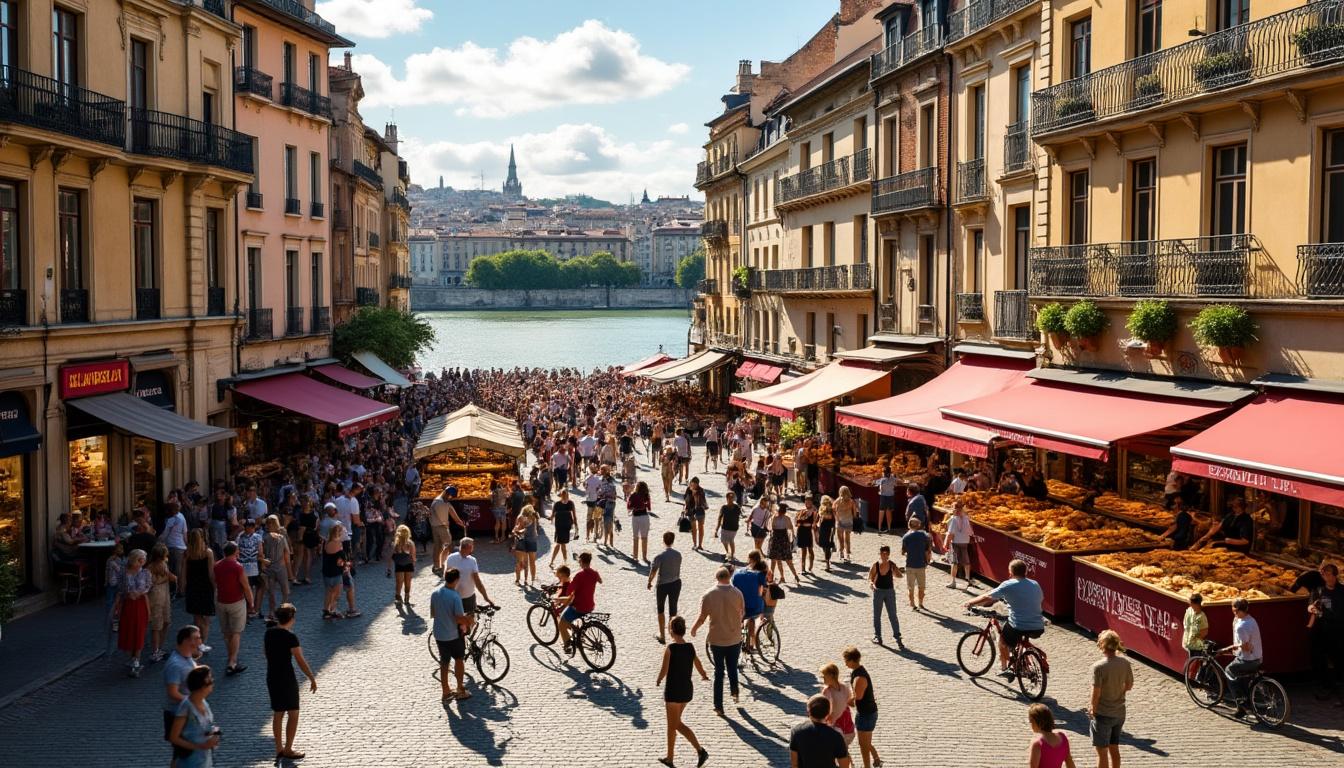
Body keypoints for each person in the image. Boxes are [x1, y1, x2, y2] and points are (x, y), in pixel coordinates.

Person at [965, 559, 1046, 677]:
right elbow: (1038, 599)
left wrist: (971, 602)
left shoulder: (1008, 584)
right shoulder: (1035, 584)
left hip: (1019, 625)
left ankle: (1007, 668)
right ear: (1026, 572)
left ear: (1010, 572)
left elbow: (988, 596)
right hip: (1038, 625)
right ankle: (1022, 661)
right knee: (1016, 637)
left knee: (1002, 641)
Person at [656, 615, 710, 768]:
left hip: (673, 691)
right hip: (686, 690)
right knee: (672, 725)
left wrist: (659, 679)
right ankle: (670, 758)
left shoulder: (671, 648)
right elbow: (698, 663)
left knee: (676, 724)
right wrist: (704, 674)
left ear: (671, 630)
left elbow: (664, 669)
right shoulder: (690, 647)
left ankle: (700, 750)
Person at [265, 603, 316, 762]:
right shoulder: (290, 637)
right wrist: (311, 677)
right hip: (286, 677)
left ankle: (278, 748)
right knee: (293, 713)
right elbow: (300, 660)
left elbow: (265, 653)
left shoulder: (269, 633)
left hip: (272, 676)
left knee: (278, 713)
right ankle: (288, 749)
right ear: (291, 618)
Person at [691, 566, 745, 716]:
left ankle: (719, 706)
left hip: (717, 639)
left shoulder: (708, 595)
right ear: (729, 577)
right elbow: (742, 613)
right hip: (734, 638)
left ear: (717, 578)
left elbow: (702, 617)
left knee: (719, 672)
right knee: (733, 667)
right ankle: (735, 692)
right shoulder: (738, 593)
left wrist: (694, 629)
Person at [1292, 561, 1343, 701]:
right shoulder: (1318, 590)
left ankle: (1338, 688)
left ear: (1334, 575)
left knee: (1338, 659)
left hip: (1338, 631)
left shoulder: (1342, 591)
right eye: (1323, 574)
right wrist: (1311, 608)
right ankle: (1325, 687)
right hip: (1321, 630)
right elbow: (1310, 604)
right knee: (1319, 659)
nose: (1325, 577)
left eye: (1328, 574)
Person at [1088, 630, 1132, 768]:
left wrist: (1093, 709)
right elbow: (1129, 685)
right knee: (1114, 748)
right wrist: (1119, 691)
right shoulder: (1125, 663)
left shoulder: (1099, 667)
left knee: (1102, 752)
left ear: (1102, 645)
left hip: (1103, 713)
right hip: (1119, 713)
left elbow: (1096, 693)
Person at [163, 625, 201, 768]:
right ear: (186, 641)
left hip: (186, 714)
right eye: (197, 638)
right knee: (184, 755)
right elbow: (172, 692)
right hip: (177, 716)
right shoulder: (175, 665)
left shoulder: (186, 657)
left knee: (181, 755)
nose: (200, 641)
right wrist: (194, 703)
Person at [431, 568, 471, 701]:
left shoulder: (435, 593)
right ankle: (460, 689)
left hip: (439, 634)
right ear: (456, 580)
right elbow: (459, 618)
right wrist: (469, 620)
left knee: (444, 662)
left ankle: (445, 691)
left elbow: (433, 613)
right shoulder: (455, 596)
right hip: (453, 635)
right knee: (459, 660)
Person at [214, 542, 253, 675]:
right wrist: (251, 603)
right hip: (236, 602)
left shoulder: (217, 565)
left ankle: (231, 656)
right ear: (235, 552)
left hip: (221, 602)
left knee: (226, 632)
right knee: (236, 632)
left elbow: (215, 582)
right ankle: (232, 661)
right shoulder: (238, 567)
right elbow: (246, 586)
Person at [168, 666, 220, 768]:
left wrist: (215, 733)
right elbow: (174, 737)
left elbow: (207, 725)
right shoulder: (186, 707)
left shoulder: (204, 702)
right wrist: (199, 746)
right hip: (189, 762)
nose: (213, 681)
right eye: (210, 679)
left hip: (205, 760)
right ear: (202, 686)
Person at [445, 537, 494, 633]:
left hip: (460, 596)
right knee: (466, 622)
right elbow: (477, 581)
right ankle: (462, 640)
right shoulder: (472, 561)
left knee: (463, 622)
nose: (473, 549)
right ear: (468, 547)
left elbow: (446, 577)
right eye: (472, 547)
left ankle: (463, 638)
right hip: (464, 597)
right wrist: (486, 598)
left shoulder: (451, 558)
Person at [790, 694, 852, 768]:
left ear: (808, 711)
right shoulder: (836, 736)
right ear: (828, 713)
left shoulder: (796, 732)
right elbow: (844, 765)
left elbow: (794, 764)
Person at [843, 646, 880, 768]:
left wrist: (843, 700)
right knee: (864, 742)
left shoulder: (859, 678)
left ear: (852, 660)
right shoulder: (856, 672)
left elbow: (857, 698)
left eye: (846, 660)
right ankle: (876, 758)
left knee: (863, 744)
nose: (845, 663)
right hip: (864, 713)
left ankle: (867, 766)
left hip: (866, 714)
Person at [180, 530, 216, 655]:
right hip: (205, 587)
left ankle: (198, 643)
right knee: (206, 618)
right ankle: (202, 643)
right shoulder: (208, 552)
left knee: (197, 618)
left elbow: (183, 572)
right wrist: (215, 587)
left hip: (192, 587)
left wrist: (182, 586)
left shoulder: (187, 553)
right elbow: (211, 574)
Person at [1226, 597, 1263, 719]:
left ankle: (1241, 702)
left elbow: (1246, 647)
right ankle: (1241, 707)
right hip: (1258, 657)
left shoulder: (1241, 626)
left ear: (1236, 610)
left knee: (1229, 671)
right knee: (1242, 678)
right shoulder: (1251, 620)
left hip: (1248, 660)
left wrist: (1233, 647)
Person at [117, 548, 152, 677]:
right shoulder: (124, 572)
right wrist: (127, 594)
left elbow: (148, 587)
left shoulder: (145, 573)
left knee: (139, 630)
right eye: (143, 558)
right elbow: (119, 588)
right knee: (129, 629)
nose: (145, 560)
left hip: (140, 603)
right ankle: (132, 656)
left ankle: (136, 658)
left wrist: (139, 593)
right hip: (128, 604)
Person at [558, 551, 602, 653]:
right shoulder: (594, 573)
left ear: (581, 561)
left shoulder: (579, 575)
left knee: (561, 623)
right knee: (574, 621)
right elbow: (600, 581)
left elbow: (569, 591)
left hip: (579, 607)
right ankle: (578, 633)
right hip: (590, 606)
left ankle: (567, 645)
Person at [648, 531, 683, 644]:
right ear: (673, 541)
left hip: (663, 585)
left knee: (660, 609)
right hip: (675, 583)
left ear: (663, 540)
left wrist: (649, 581)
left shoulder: (660, 556)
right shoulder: (678, 554)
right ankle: (673, 635)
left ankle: (662, 635)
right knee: (673, 610)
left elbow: (653, 571)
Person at [733, 551, 768, 654]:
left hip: (740, 604)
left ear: (749, 559)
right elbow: (763, 588)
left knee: (743, 619)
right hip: (754, 606)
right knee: (752, 618)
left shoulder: (739, 572)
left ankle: (741, 635)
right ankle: (752, 644)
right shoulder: (761, 572)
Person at [868, 546, 902, 648]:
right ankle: (877, 635)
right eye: (883, 553)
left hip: (889, 592)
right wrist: (872, 585)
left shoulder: (892, 565)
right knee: (877, 615)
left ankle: (897, 635)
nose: (884, 555)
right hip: (878, 592)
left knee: (892, 615)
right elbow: (870, 578)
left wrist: (897, 570)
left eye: (886, 553)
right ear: (880, 554)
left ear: (889, 554)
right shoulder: (876, 565)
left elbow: (899, 575)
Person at [261, 516, 292, 624]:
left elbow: (262, 553)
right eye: (267, 524)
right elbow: (287, 554)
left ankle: (275, 612)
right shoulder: (277, 537)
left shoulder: (267, 537)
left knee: (276, 592)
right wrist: (290, 573)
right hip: (276, 568)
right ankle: (277, 612)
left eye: (269, 523)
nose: (268, 526)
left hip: (274, 568)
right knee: (279, 591)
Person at [1027, 703, 1076, 768]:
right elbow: (1070, 763)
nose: (1030, 724)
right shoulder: (1063, 738)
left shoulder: (1037, 743)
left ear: (1035, 722)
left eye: (1030, 721)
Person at [431, 487, 466, 575]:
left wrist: (460, 522)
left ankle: (437, 566)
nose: (451, 498)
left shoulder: (440, 501)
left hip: (435, 527)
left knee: (438, 547)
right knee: (450, 547)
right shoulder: (441, 503)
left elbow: (454, 515)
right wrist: (458, 523)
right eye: (451, 496)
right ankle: (456, 567)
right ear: (447, 494)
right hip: (441, 528)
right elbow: (444, 520)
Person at [234, 519, 264, 620]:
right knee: (253, 588)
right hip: (251, 567)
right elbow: (260, 552)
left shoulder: (240, 537)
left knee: (248, 589)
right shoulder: (256, 537)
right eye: (250, 526)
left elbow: (236, 550)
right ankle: (251, 610)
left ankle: (250, 610)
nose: (250, 528)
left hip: (246, 567)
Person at [819, 662, 855, 747]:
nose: (822, 678)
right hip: (840, 724)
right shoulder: (841, 688)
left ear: (831, 675)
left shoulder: (831, 690)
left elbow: (850, 703)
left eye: (824, 675)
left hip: (840, 723)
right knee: (841, 750)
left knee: (840, 750)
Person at [900, 518, 932, 610]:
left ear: (909, 525)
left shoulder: (906, 537)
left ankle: (912, 603)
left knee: (911, 587)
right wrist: (927, 561)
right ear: (919, 525)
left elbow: (903, 552)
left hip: (910, 565)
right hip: (921, 565)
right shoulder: (925, 536)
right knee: (921, 586)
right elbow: (927, 551)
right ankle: (921, 603)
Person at [320, 523, 350, 621]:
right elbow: (339, 562)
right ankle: (333, 610)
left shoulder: (326, 542)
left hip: (326, 571)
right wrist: (345, 564)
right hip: (335, 572)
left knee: (328, 591)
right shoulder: (338, 544)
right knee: (337, 593)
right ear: (339, 533)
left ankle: (326, 611)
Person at [943, 500, 974, 591]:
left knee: (954, 562)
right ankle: (967, 579)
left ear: (954, 509)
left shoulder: (953, 519)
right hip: (965, 541)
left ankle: (953, 582)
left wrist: (946, 543)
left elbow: (950, 533)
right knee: (966, 561)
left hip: (956, 542)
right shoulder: (966, 517)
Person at [768, 502, 800, 585]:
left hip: (776, 539)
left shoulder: (775, 517)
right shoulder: (786, 518)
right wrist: (791, 540)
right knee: (786, 560)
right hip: (783, 539)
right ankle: (791, 576)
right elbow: (791, 528)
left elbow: (771, 528)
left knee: (776, 560)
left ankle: (781, 577)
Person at [512, 505, 541, 586]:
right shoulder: (533, 516)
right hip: (531, 540)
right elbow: (538, 519)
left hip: (522, 541)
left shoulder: (520, 517)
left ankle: (519, 580)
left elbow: (516, 530)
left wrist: (514, 543)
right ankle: (532, 578)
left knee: (521, 562)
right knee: (532, 562)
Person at [390, 524, 416, 605]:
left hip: (399, 565)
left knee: (399, 582)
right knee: (407, 582)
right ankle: (407, 597)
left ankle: (398, 597)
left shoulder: (395, 544)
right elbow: (413, 556)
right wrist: (413, 564)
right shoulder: (410, 543)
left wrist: (389, 568)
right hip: (408, 564)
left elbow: (390, 557)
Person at [550, 488, 575, 568]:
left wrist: (575, 524)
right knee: (561, 544)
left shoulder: (569, 503)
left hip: (565, 527)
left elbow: (574, 515)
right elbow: (552, 515)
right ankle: (563, 561)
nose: (564, 496)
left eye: (565, 494)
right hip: (560, 526)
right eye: (563, 494)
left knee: (560, 544)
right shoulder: (558, 504)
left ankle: (555, 561)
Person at [628, 480, 653, 562]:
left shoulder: (633, 495)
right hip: (644, 517)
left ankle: (635, 556)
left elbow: (629, 507)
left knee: (635, 537)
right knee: (644, 538)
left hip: (635, 517)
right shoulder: (646, 495)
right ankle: (644, 557)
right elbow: (649, 508)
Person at [296, 497, 319, 584]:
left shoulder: (310, 513)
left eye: (306, 502)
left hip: (310, 535)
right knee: (304, 556)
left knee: (308, 556)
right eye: (303, 502)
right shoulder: (301, 513)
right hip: (303, 535)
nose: (305, 504)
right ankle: (302, 576)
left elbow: (317, 524)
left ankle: (306, 575)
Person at [715, 491, 742, 564]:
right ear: (726, 498)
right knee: (723, 540)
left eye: (732, 497)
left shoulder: (737, 507)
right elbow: (719, 518)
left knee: (731, 540)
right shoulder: (724, 507)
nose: (731, 499)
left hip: (733, 527)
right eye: (729, 497)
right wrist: (716, 529)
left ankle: (732, 555)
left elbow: (741, 515)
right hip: (725, 526)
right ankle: (727, 552)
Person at [833, 486, 858, 563]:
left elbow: (833, 509)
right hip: (848, 521)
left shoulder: (838, 501)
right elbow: (854, 513)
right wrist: (854, 519)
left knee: (840, 539)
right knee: (847, 539)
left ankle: (841, 553)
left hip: (840, 521)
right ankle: (848, 554)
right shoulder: (851, 501)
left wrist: (836, 517)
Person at [1182, 593, 1208, 659]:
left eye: (1190, 602)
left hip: (1196, 647)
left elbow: (1204, 632)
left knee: (1194, 665)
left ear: (1195, 604)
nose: (1189, 604)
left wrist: (1195, 639)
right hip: (1187, 644)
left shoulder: (1201, 617)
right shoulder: (1189, 611)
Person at [684, 477, 708, 550]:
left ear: (697, 484)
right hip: (691, 511)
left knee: (701, 528)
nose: (693, 485)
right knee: (693, 529)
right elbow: (685, 499)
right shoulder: (688, 489)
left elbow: (702, 501)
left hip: (700, 511)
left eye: (695, 484)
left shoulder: (701, 491)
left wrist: (695, 494)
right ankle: (694, 544)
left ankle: (700, 545)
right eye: (692, 483)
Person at [795, 498, 817, 575]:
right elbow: (796, 523)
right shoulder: (801, 511)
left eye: (809, 502)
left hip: (808, 532)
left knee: (810, 549)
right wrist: (801, 516)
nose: (807, 504)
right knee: (803, 551)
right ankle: (803, 569)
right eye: (806, 502)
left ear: (812, 503)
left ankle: (810, 566)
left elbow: (814, 524)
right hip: (801, 531)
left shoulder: (814, 512)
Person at [874, 467, 899, 534]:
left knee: (881, 512)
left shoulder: (882, 480)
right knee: (889, 513)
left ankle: (879, 529)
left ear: (883, 473)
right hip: (890, 497)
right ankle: (889, 528)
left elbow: (880, 489)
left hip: (883, 497)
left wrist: (879, 491)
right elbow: (897, 483)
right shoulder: (893, 479)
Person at [818, 495, 837, 572]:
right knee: (828, 545)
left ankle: (827, 562)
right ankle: (827, 561)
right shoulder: (832, 510)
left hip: (823, 529)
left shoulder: (822, 509)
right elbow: (835, 519)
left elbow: (820, 518)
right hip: (831, 529)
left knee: (824, 545)